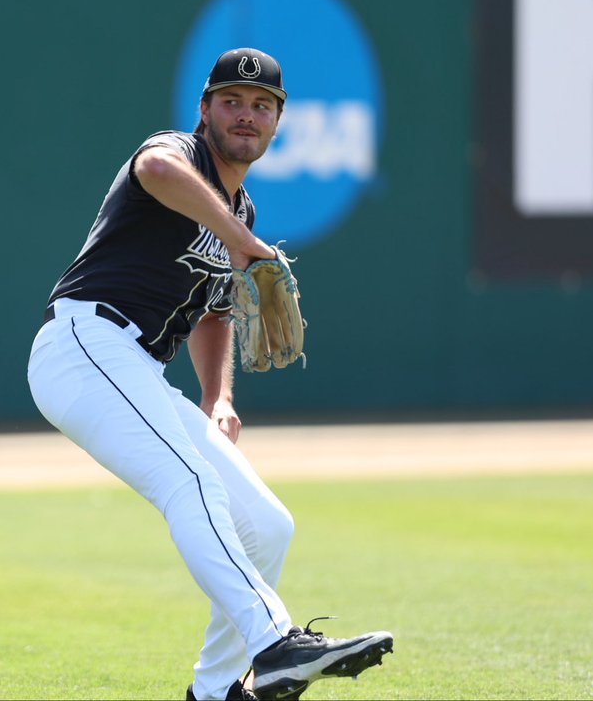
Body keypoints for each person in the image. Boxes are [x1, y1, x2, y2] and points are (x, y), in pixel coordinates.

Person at [26, 48, 393, 701]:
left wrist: (217, 397)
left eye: (261, 106)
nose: (245, 115)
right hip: (83, 345)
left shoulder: (242, 213)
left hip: (135, 369)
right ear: (203, 110)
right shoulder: (180, 157)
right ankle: (274, 642)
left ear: (277, 122)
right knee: (190, 482)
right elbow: (154, 168)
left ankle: (216, 690)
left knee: (267, 524)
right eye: (231, 101)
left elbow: (214, 313)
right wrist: (238, 239)